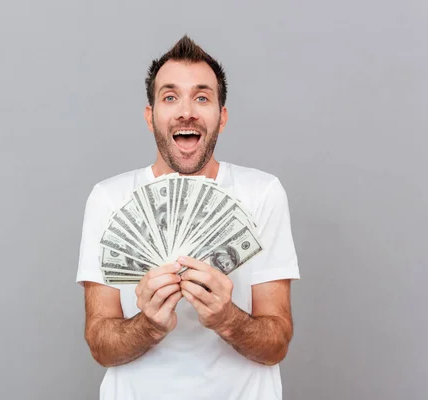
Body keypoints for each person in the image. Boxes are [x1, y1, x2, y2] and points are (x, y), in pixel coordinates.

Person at [76, 35, 300, 400]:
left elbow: (276, 345)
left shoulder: (262, 193)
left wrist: (226, 317)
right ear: (150, 117)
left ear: (221, 117)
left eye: (202, 97)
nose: (186, 111)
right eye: (169, 97)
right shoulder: (109, 198)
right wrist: (148, 324)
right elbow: (101, 346)